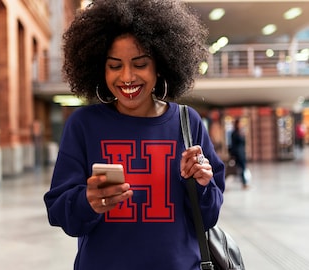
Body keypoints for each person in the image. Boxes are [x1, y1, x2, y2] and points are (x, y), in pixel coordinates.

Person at [44, 1, 225, 269]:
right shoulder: (83, 125)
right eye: (114, 66)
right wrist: (87, 201)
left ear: (160, 65)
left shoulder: (188, 123)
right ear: (99, 68)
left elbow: (208, 217)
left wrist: (201, 184)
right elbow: (59, 211)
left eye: (140, 64)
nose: (127, 77)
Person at [230, 118, 248, 189]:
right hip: (238, 154)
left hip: (242, 153)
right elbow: (233, 144)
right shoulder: (234, 133)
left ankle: (244, 183)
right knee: (241, 168)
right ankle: (244, 183)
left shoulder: (240, 132)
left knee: (242, 168)